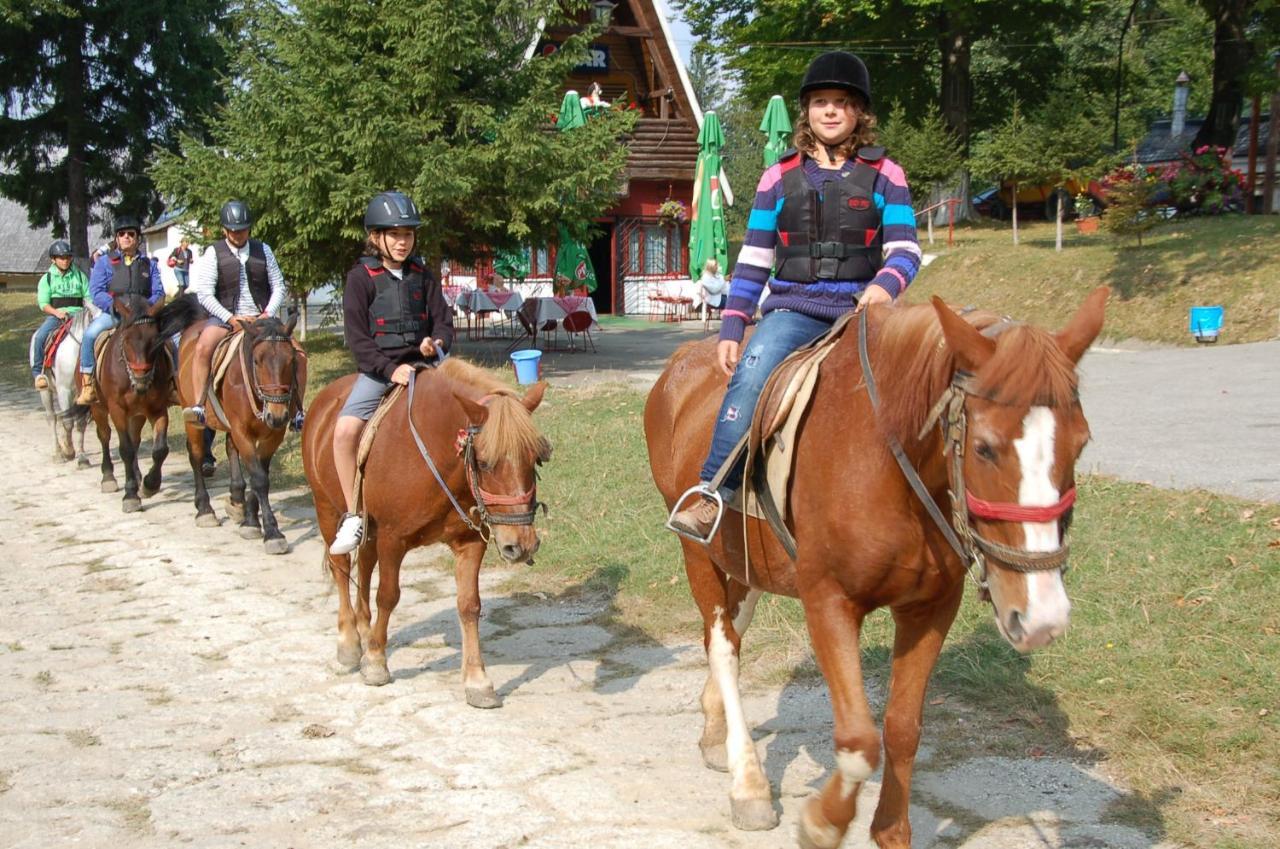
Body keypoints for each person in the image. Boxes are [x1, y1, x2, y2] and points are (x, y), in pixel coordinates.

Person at [668, 51, 922, 541]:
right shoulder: (777, 177)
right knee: (752, 374)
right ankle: (714, 490)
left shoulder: (888, 174)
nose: (830, 111)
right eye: (821, 101)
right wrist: (733, 326)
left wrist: (881, 287)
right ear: (806, 111)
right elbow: (753, 260)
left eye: (842, 102)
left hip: (863, 311)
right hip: (793, 310)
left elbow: (906, 250)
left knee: (924, 382)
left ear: (859, 113)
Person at [328, 190, 454, 555]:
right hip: (379, 372)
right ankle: (354, 514)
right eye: (395, 234)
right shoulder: (360, 278)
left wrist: (436, 342)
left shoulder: (423, 275)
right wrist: (388, 368)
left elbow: (444, 322)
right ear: (376, 237)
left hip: (426, 367)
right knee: (344, 431)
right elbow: (357, 339)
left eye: (408, 234)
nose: (403, 242)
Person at [182, 200, 288, 426]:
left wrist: (268, 313)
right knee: (202, 348)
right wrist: (231, 318)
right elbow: (205, 294)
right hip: (225, 319)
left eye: (242, 230)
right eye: (233, 230)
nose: (238, 234)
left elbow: (279, 285)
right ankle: (199, 405)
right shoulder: (213, 253)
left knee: (296, 351)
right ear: (224, 230)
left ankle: (297, 410)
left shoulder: (264, 250)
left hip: (262, 318)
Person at [77, 216, 164, 405]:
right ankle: (88, 384)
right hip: (115, 313)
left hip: (143, 317)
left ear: (138, 238)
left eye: (131, 234)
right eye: (122, 234)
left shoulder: (150, 264)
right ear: (116, 239)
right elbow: (96, 291)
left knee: (171, 338)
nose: (126, 237)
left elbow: (158, 292)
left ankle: (174, 382)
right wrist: (116, 307)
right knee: (90, 335)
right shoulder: (104, 263)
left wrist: (145, 309)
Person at [31, 240, 90, 389]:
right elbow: (43, 303)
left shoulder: (79, 275)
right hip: (57, 316)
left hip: (80, 315)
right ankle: (38, 373)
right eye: (61, 258)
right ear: (53, 259)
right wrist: (56, 312)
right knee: (40, 337)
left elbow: (88, 297)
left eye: (68, 257)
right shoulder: (47, 279)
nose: (65, 261)